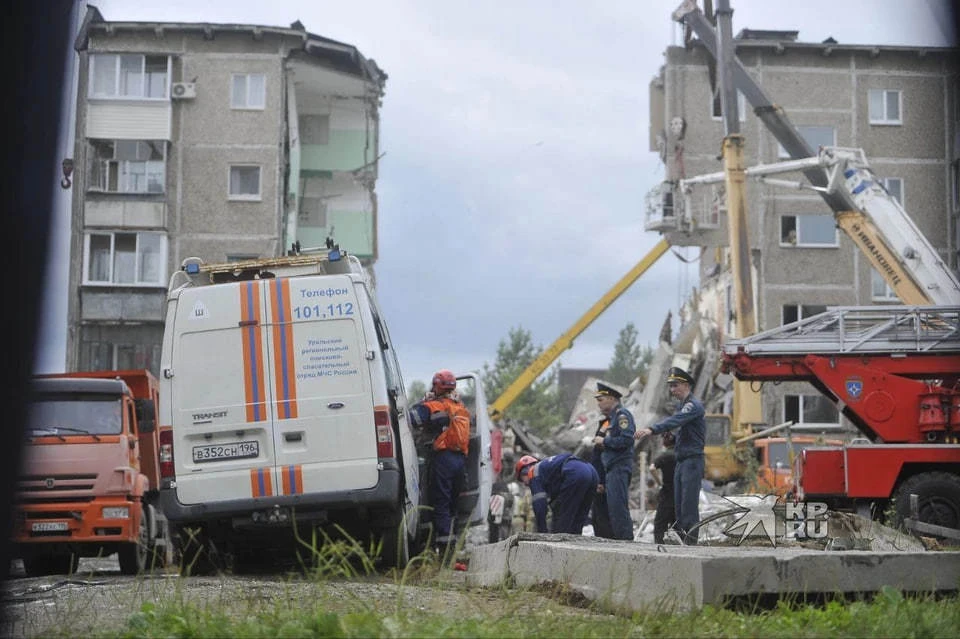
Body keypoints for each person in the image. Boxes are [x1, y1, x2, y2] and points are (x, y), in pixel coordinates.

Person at [635, 367, 705, 545]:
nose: (672, 390)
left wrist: (652, 429)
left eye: (675, 386)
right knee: (679, 507)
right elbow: (686, 434)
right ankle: (683, 542)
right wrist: (672, 439)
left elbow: (676, 421)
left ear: (686, 385)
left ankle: (690, 544)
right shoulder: (682, 406)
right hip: (682, 461)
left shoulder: (692, 406)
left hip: (692, 462)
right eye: (670, 386)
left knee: (688, 507)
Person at [409, 369, 471, 552]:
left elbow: (411, 418)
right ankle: (452, 545)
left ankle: (443, 548)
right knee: (453, 503)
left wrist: (424, 401)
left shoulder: (433, 406)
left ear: (436, 386)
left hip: (443, 459)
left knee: (440, 502)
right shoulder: (460, 407)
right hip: (460, 460)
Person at [591, 382, 636, 540]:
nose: (599, 403)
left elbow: (627, 439)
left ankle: (626, 542)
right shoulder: (611, 419)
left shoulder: (622, 415)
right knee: (613, 509)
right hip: (611, 469)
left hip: (619, 467)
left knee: (618, 509)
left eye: (601, 399)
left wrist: (604, 442)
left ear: (611, 398)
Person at [515, 453, 599, 535]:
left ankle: (560, 547)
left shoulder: (533, 473)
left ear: (523, 473)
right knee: (578, 517)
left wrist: (542, 532)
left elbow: (540, 506)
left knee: (562, 519)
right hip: (592, 472)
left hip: (575, 473)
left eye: (522, 480)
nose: (525, 484)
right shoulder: (548, 469)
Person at [589, 414, 615, 539]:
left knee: (602, 515)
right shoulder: (605, 423)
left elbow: (603, 461)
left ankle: (606, 540)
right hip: (597, 478)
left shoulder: (609, 423)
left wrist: (601, 482)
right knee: (597, 516)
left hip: (602, 482)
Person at [651, 431, 678, 544]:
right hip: (679, 494)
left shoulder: (665, 455)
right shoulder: (681, 454)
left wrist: (659, 483)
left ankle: (659, 545)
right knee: (677, 523)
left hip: (667, 493)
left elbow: (652, 468)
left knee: (660, 523)